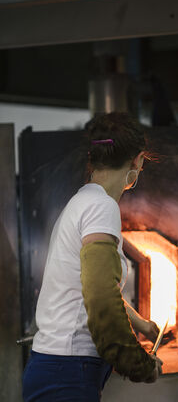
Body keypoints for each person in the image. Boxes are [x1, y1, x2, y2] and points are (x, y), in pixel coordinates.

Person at [22, 112, 163, 402]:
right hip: (69, 370)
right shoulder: (102, 207)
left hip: (56, 366)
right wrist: (139, 364)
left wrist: (140, 324)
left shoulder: (82, 201)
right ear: (137, 161)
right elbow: (100, 295)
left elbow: (91, 284)